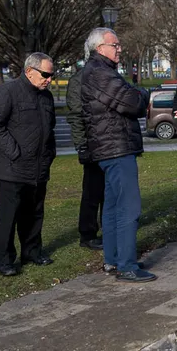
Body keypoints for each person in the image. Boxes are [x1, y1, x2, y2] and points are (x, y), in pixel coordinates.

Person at [80, 27, 156, 283]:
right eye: (116, 45)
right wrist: (143, 94)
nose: (119, 49)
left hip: (111, 148)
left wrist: (135, 93)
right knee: (128, 207)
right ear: (100, 48)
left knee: (112, 207)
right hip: (116, 148)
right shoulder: (100, 73)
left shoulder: (100, 72)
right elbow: (132, 103)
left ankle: (113, 260)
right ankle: (126, 265)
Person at [0, 53, 57, 277]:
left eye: (52, 75)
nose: (49, 79)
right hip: (12, 168)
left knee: (34, 213)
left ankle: (32, 252)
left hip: (38, 168)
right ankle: (4, 259)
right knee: (9, 216)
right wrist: (15, 152)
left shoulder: (46, 97)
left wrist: (49, 154)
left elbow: (50, 128)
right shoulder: (7, 92)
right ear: (29, 71)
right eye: (45, 74)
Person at [67, 60, 105, 251]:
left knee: (109, 191)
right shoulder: (80, 79)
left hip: (107, 141)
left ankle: (107, 228)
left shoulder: (106, 74)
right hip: (92, 143)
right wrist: (82, 146)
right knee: (92, 191)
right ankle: (88, 233)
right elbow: (76, 115)